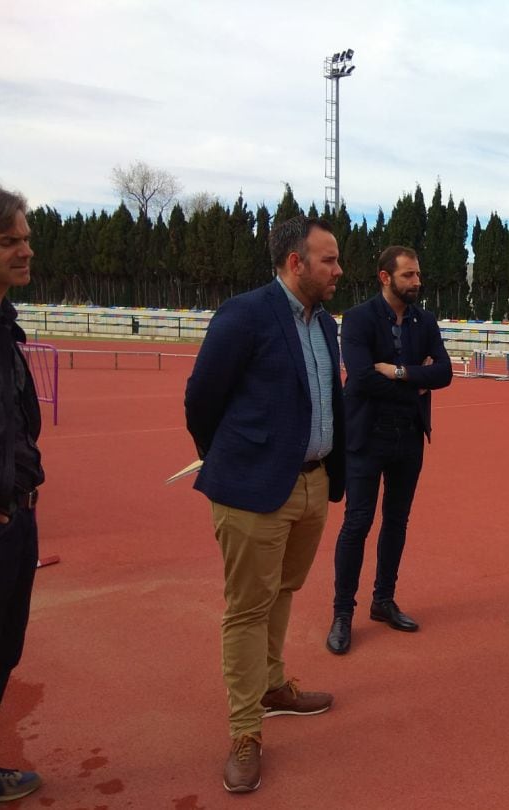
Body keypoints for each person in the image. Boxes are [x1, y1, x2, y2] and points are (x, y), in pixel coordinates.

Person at [184, 214, 346, 794]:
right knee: (247, 608)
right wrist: (231, 460)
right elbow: (202, 401)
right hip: (253, 490)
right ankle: (246, 731)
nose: (338, 269)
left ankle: (274, 685)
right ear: (295, 262)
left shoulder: (325, 325)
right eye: (328, 259)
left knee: (283, 590)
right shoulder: (245, 314)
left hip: (312, 484)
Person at [326, 246, 452, 655]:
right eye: (409, 276)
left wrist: (400, 372)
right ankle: (342, 613)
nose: (417, 282)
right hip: (365, 436)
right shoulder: (360, 319)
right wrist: (415, 385)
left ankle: (383, 600)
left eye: (418, 275)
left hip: (408, 437)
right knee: (357, 523)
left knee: (397, 521)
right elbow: (361, 379)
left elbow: (445, 372)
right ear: (385, 277)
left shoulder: (425, 321)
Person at [0, 183, 45, 804]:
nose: (25, 250)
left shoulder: (4, 323)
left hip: (15, 514)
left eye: (25, 238)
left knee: (3, 647)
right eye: (8, 241)